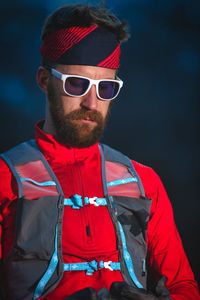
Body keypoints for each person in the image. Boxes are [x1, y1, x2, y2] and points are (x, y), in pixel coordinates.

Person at [0, 3, 199, 300]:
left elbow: (184, 288)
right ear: (44, 80)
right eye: (77, 84)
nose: (92, 103)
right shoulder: (5, 178)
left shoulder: (145, 182)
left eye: (105, 88)